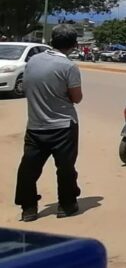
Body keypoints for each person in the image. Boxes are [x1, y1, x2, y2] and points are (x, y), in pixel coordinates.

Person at [15, 25, 83, 222]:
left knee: (28, 168)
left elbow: (27, 87)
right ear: (73, 45)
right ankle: (67, 205)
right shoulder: (69, 67)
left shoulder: (33, 60)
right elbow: (77, 98)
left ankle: (28, 209)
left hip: (36, 125)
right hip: (63, 126)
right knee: (66, 168)